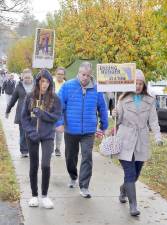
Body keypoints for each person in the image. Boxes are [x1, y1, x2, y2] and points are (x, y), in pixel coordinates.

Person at [112, 69, 163, 216]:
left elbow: (153, 121)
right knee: (130, 172)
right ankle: (133, 206)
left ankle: (123, 189)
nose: (138, 86)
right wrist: (116, 113)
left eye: (141, 83)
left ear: (144, 85)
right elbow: (119, 119)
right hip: (126, 139)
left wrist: (158, 137)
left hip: (141, 140)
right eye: (136, 83)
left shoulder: (150, 100)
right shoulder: (122, 99)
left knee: (135, 174)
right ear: (131, 83)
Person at [56, 62, 108, 198]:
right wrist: (60, 123)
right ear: (78, 74)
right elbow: (58, 106)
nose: (85, 77)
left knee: (87, 157)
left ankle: (84, 186)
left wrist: (104, 126)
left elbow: (102, 107)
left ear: (91, 75)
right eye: (82, 74)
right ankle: (73, 176)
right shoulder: (67, 87)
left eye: (87, 75)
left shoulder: (97, 89)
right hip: (71, 129)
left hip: (89, 130)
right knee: (70, 157)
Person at [21, 69, 62, 209]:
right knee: (34, 164)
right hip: (32, 135)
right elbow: (24, 118)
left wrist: (42, 114)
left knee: (45, 164)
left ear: (50, 82)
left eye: (46, 81)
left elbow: (56, 117)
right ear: (37, 82)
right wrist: (31, 131)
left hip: (48, 135)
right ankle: (34, 195)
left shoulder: (55, 98)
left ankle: (44, 195)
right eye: (41, 81)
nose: (43, 84)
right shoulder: (30, 97)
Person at [5, 69, 34, 157]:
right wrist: (8, 110)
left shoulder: (35, 86)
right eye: (25, 77)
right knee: (23, 133)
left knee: (32, 132)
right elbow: (13, 99)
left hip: (33, 114)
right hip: (22, 113)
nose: (27, 79)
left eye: (28, 77)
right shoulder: (19, 87)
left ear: (31, 77)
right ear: (22, 77)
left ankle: (31, 149)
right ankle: (24, 151)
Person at [53, 67, 66, 156]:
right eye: (58, 74)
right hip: (51, 110)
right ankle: (49, 148)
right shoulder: (52, 83)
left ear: (64, 75)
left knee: (59, 131)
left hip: (61, 111)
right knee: (50, 130)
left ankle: (57, 148)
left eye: (62, 74)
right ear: (55, 74)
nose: (60, 76)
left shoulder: (66, 84)